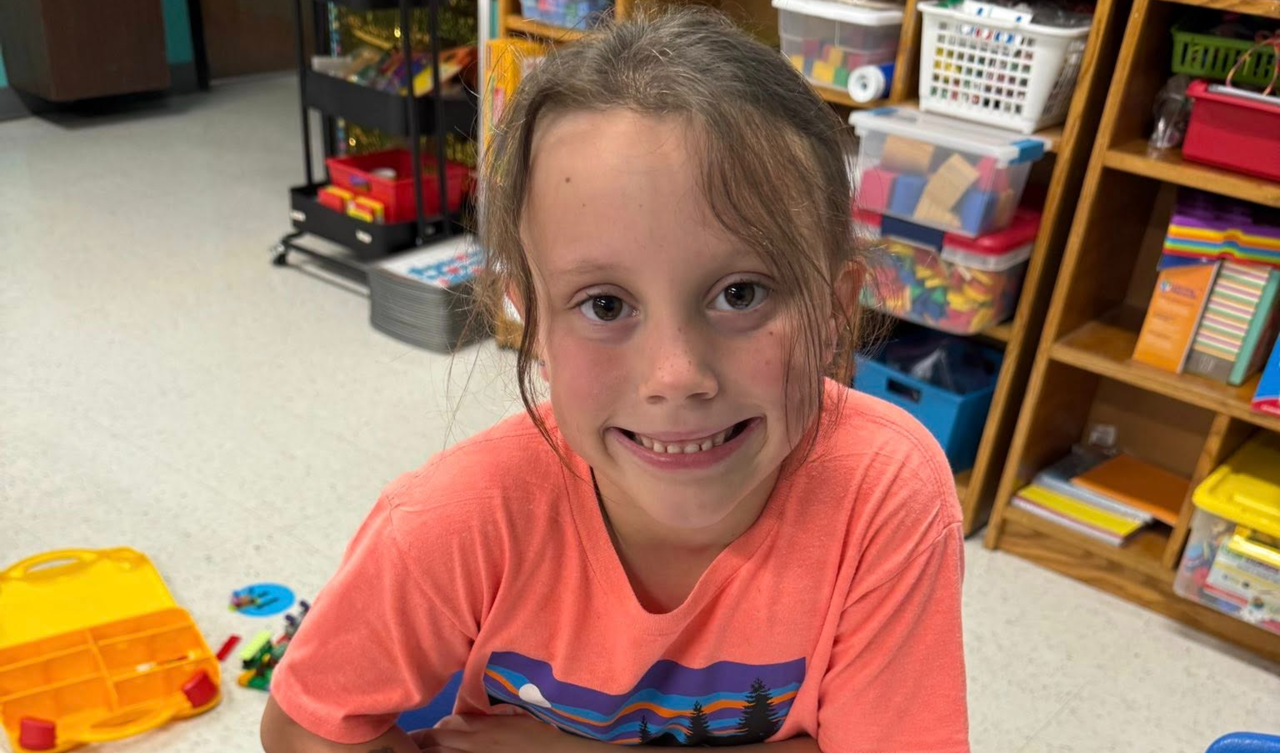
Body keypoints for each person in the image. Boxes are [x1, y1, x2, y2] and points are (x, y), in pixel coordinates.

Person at [261, 8, 968, 752]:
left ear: (832, 310)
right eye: (604, 305)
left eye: (741, 294)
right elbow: (305, 729)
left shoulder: (884, 493)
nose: (676, 376)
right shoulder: (456, 518)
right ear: (535, 321)